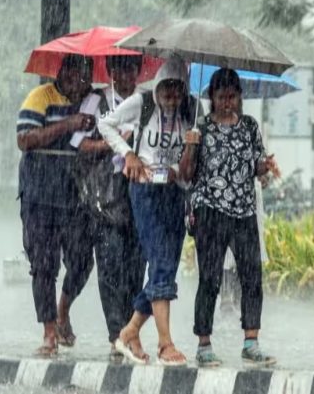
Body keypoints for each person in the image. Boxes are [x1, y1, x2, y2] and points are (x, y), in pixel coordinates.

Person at [98, 56, 196, 366]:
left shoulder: (193, 111)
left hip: (175, 194)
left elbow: (188, 169)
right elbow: (106, 124)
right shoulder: (141, 103)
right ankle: (165, 344)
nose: (172, 94)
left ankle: (129, 331)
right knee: (161, 264)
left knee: (162, 267)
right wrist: (128, 154)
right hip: (144, 191)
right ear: (157, 84)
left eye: (178, 88)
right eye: (166, 86)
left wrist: (190, 149)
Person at [179, 68, 280, 367]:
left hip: (244, 212)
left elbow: (256, 166)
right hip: (210, 210)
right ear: (211, 97)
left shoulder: (249, 126)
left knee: (251, 278)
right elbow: (187, 175)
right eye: (221, 97)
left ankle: (251, 341)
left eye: (232, 97)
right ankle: (204, 344)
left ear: (239, 97)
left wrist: (267, 167)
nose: (227, 103)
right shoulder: (201, 128)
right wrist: (191, 145)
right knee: (209, 279)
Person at [16, 54, 96, 356]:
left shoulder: (93, 101)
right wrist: (68, 124)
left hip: (76, 194)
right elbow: (24, 139)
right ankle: (49, 332)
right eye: (72, 70)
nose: (78, 77)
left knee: (83, 260)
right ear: (61, 72)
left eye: (84, 72)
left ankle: (63, 309)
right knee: (43, 265)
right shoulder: (40, 97)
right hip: (39, 194)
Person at [70, 55, 146, 360]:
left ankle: (130, 330)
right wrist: (114, 144)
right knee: (110, 265)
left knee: (135, 267)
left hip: (139, 195)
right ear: (111, 71)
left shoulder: (147, 104)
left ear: (139, 71)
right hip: (104, 197)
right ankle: (116, 333)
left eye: (131, 68)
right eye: (119, 68)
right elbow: (78, 145)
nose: (125, 74)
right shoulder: (96, 101)